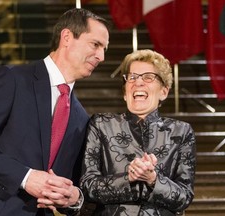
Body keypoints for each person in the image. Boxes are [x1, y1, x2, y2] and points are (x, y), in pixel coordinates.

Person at [0, 8, 109, 216]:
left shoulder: (80, 117)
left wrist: (74, 197)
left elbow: (71, 181)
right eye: (95, 45)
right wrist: (25, 177)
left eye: (104, 49)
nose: (102, 56)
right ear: (67, 37)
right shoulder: (13, 79)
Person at [80, 49, 196, 215]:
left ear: (164, 91)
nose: (138, 82)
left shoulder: (181, 131)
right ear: (125, 93)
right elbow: (87, 186)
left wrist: (153, 179)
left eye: (148, 77)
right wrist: (129, 178)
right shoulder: (101, 124)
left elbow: (184, 198)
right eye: (132, 77)